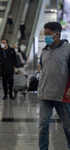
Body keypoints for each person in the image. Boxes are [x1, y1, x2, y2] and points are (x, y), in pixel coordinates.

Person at [38, 22, 70, 150]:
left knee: (68, 126)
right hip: (44, 93)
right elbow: (43, 68)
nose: (46, 37)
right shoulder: (44, 50)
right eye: (45, 34)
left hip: (62, 94)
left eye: (48, 34)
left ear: (57, 34)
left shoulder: (68, 49)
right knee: (43, 124)